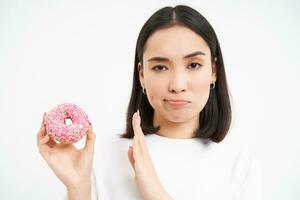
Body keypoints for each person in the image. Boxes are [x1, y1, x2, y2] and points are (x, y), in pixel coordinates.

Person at [37, 5, 263, 200]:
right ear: (142, 75)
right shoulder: (101, 158)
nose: (177, 84)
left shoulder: (239, 166)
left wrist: (155, 193)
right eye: (160, 67)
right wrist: (78, 188)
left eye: (193, 65)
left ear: (213, 71)